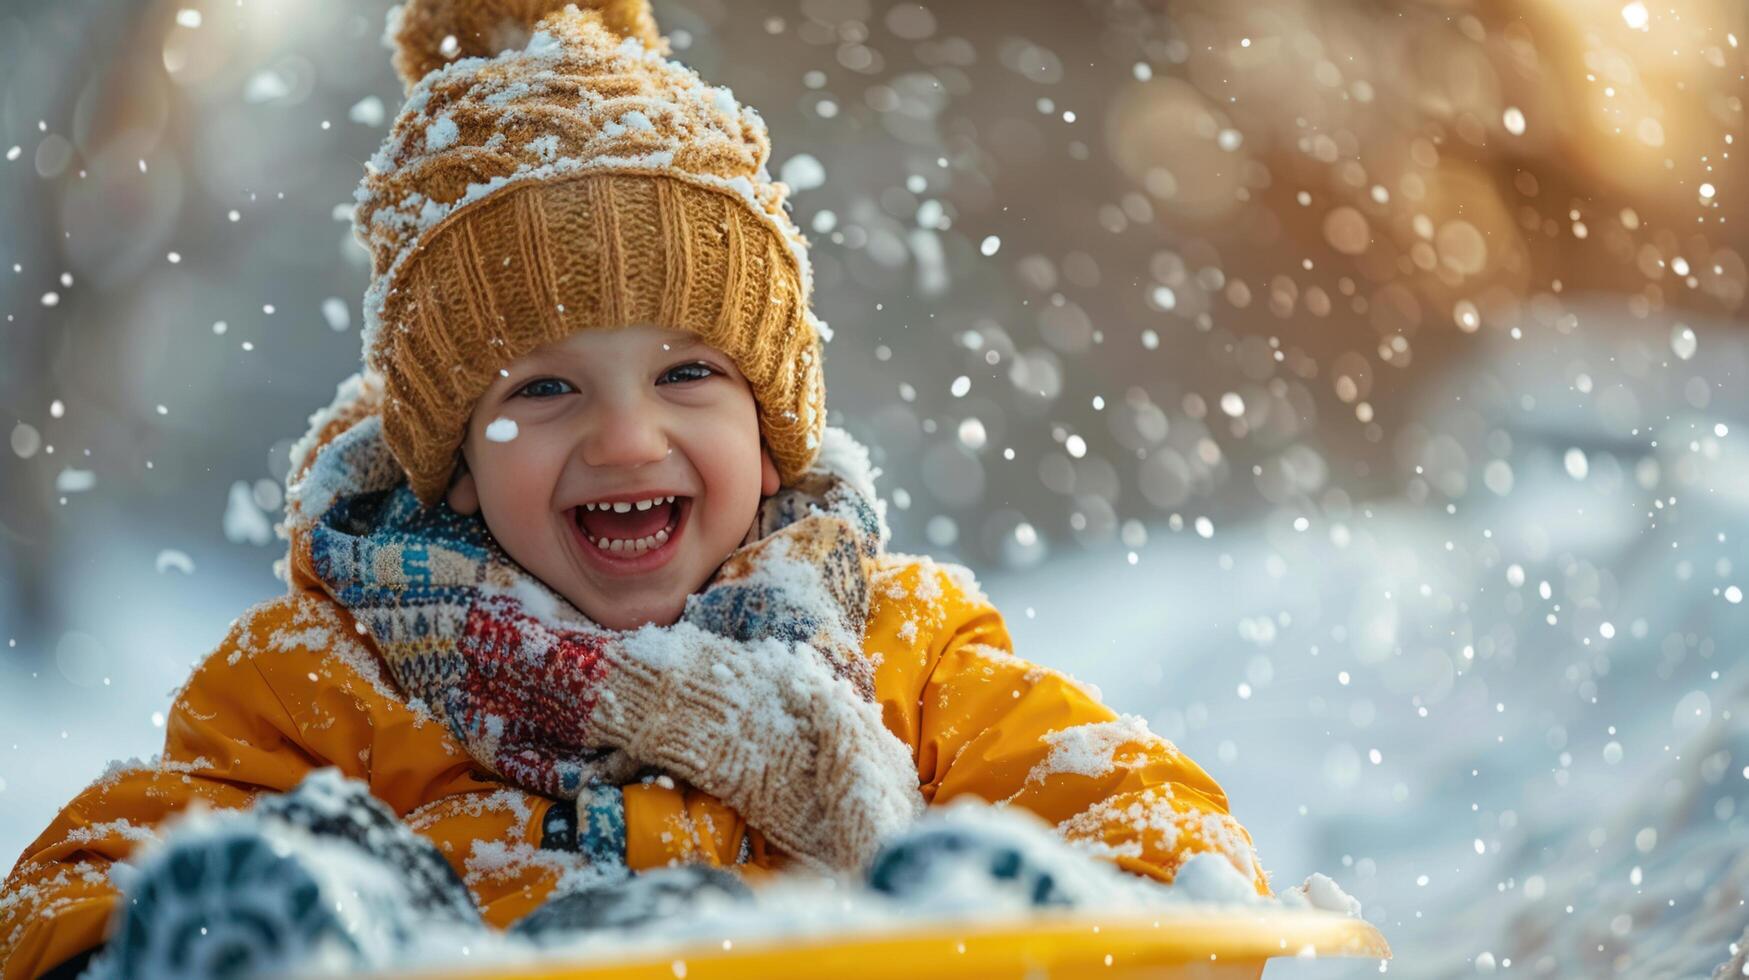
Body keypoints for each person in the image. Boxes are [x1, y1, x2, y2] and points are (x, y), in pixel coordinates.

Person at [0, 2, 1269, 976]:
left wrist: (1138, 901)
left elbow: (1149, 813)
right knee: (335, 865)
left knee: (944, 869)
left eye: (688, 372)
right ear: (449, 454)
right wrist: (145, 931)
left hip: (813, 951)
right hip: (469, 952)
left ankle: (954, 910)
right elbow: (69, 883)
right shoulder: (329, 676)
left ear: (773, 431)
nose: (624, 437)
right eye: (543, 389)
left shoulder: (897, 650)